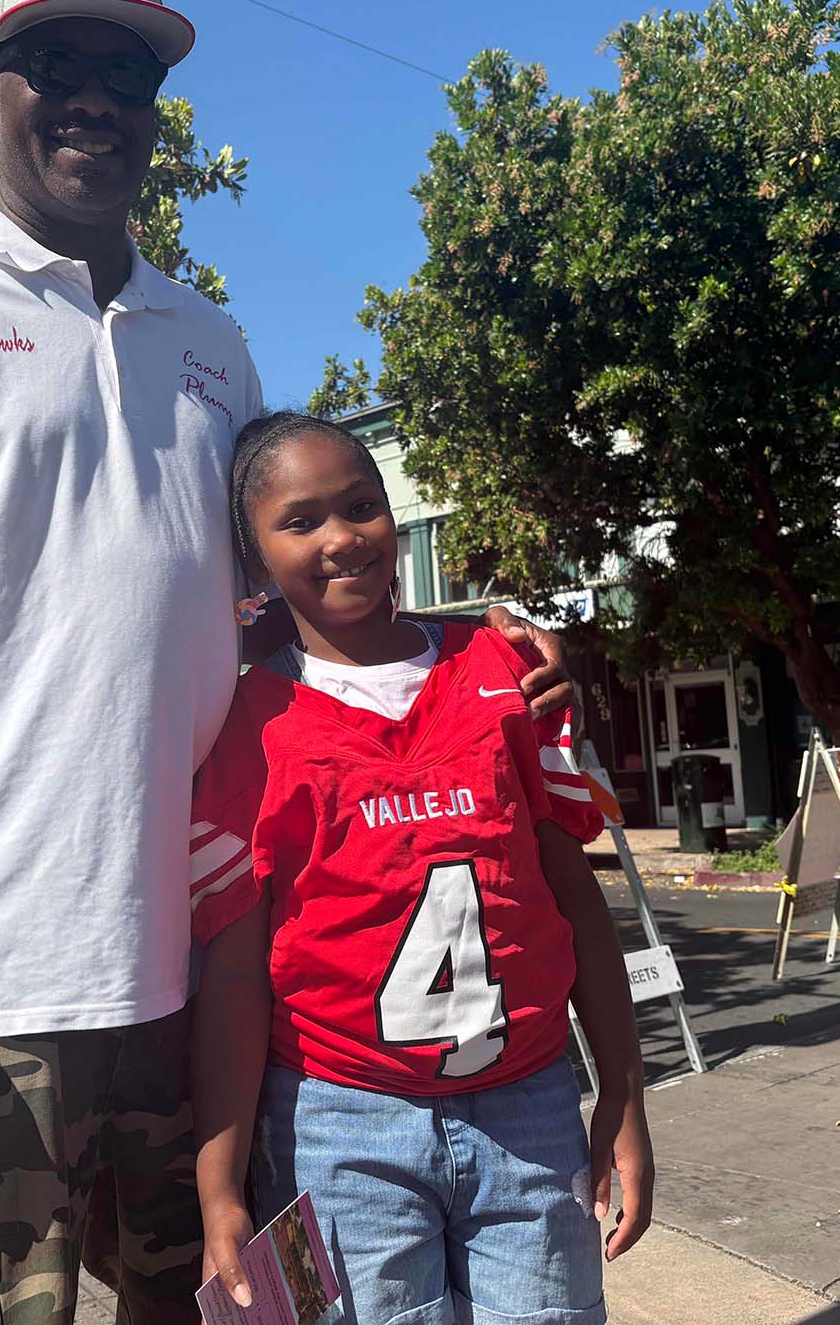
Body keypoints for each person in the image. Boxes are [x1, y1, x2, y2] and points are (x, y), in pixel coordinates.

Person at [0, 0, 569, 1325]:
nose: (94, 99)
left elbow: (268, 606)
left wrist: (461, 640)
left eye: (126, 74)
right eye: (56, 64)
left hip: (198, 987)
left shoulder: (209, 343)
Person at [191, 413, 655, 1325]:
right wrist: (220, 1189)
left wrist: (625, 1092)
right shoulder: (246, 723)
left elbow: (573, 899)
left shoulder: (507, 673)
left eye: (361, 506)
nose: (341, 539)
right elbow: (236, 974)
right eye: (301, 521)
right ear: (254, 558)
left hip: (529, 1103)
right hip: (337, 1125)